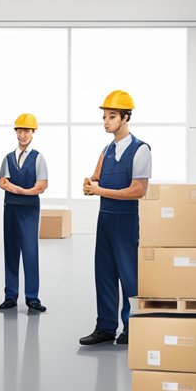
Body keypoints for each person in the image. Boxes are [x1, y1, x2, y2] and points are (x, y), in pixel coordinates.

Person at [79, 90, 150, 347]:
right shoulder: (106, 150)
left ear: (125, 117)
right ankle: (106, 327)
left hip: (125, 220)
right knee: (104, 274)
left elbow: (138, 190)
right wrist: (89, 184)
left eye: (111, 116)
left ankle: (132, 327)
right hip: (105, 220)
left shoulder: (141, 150)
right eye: (104, 117)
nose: (106, 121)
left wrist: (99, 191)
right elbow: (95, 178)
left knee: (129, 275)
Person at [0, 113, 49, 312]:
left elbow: (41, 185)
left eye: (26, 130)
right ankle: (10, 296)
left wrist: (19, 190)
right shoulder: (8, 158)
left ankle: (32, 297)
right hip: (10, 208)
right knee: (10, 252)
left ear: (33, 133)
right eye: (19, 130)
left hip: (29, 210)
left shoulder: (38, 158)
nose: (22, 134)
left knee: (29, 252)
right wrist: (19, 189)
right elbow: (1, 182)